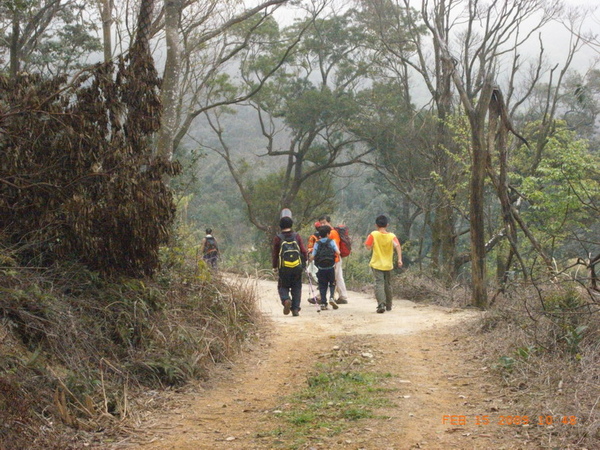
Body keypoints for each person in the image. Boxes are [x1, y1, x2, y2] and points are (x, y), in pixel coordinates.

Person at [364, 215, 403, 313]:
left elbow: (368, 246)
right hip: (388, 264)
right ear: (387, 225)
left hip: (377, 264)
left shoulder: (373, 234)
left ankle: (381, 304)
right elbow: (397, 246)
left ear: (376, 225)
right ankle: (389, 305)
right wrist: (399, 259)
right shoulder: (392, 236)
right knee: (388, 284)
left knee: (379, 284)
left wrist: (373, 244)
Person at [272, 216, 307, 316]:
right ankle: (295, 309)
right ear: (291, 225)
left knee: (283, 286)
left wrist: (275, 266)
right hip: (297, 266)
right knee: (296, 286)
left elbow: (275, 254)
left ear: (280, 226)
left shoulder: (278, 238)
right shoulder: (296, 236)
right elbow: (303, 251)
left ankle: (286, 300)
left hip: (284, 267)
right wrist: (304, 262)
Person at [319, 215, 349, 303]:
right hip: (335, 258)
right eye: (321, 223)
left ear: (329, 222)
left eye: (324, 223)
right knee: (338, 277)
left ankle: (320, 297)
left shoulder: (332, 233)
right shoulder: (330, 232)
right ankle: (343, 296)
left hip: (333, 259)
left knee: (329, 278)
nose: (322, 225)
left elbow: (334, 247)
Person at [310, 226, 340, 310]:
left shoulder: (317, 243)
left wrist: (310, 258)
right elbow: (338, 252)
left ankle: (323, 303)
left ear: (319, 235)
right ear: (327, 234)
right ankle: (331, 298)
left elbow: (313, 256)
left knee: (322, 285)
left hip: (321, 268)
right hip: (330, 267)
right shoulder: (331, 242)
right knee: (332, 283)